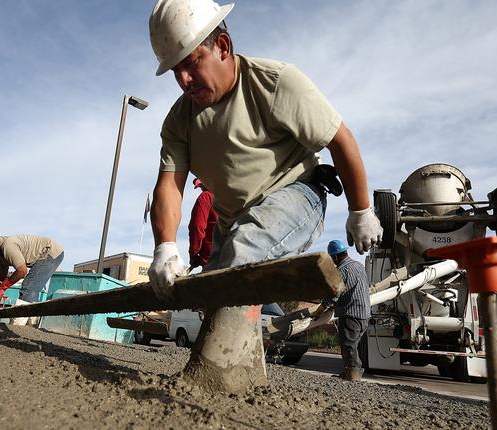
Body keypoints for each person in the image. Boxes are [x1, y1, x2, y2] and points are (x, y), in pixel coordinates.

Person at [146, 0, 382, 392]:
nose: (185, 79)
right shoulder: (180, 120)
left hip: (297, 194)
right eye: (176, 71)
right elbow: (169, 184)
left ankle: (214, 380)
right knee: (215, 287)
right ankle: (245, 372)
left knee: (243, 254)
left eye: (193, 62)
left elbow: (341, 140)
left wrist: (361, 211)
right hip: (233, 217)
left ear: (222, 45)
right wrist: (165, 247)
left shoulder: (275, 83)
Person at [0, 225, 64, 325]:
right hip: (43, 255)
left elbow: (22, 271)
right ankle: (32, 324)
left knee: (28, 288)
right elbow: (1, 279)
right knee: (30, 288)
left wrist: (2, 289)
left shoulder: (8, 246)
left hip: (50, 252)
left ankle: (18, 325)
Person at [324, 239, 371, 381]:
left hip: (351, 313)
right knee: (353, 345)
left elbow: (335, 294)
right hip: (364, 313)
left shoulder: (341, 270)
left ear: (336, 256)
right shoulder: (358, 265)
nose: (333, 261)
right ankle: (349, 372)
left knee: (348, 345)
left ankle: (353, 375)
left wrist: (323, 307)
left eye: (332, 258)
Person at [188, 178, 218, 271]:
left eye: (201, 185)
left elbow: (197, 226)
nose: (201, 188)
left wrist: (194, 253)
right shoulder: (232, 197)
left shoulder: (206, 196)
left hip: (212, 259)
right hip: (235, 253)